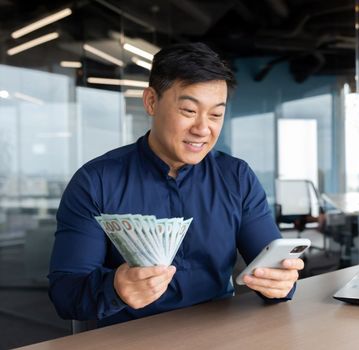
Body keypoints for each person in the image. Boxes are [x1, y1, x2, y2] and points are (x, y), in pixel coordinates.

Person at [48, 42, 304, 327]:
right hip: (129, 338)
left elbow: (273, 268)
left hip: (218, 333)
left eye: (216, 114)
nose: (203, 129)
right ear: (151, 102)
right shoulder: (95, 182)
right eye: (188, 110)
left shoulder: (237, 177)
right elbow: (65, 293)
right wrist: (115, 288)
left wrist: (281, 283)